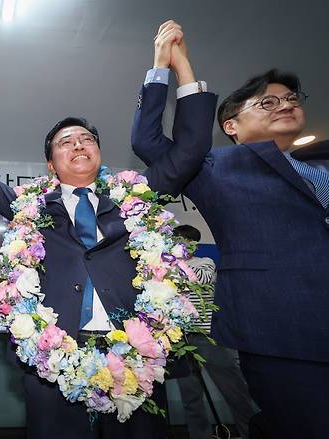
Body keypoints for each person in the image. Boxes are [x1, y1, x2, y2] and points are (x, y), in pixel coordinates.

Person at [0, 57, 216, 437]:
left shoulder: (134, 198)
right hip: (54, 359)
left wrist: (170, 67)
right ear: (50, 165)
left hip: (134, 356)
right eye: (65, 142)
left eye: (86, 139)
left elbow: (191, 150)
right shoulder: (30, 208)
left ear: (98, 153)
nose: (78, 144)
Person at [132, 20, 329, 439]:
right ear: (231, 126)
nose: (285, 105)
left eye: (291, 99)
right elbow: (149, 141)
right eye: (267, 102)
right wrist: (173, 66)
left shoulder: (320, 166)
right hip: (284, 333)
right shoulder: (213, 169)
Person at [173, 225, 256, 439]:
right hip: (180, 340)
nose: (183, 246)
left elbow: (199, 279)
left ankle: (251, 432)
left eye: (187, 242)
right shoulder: (166, 267)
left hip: (206, 337)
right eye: (178, 241)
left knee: (234, 390)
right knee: (191, 398)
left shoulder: (205, 263)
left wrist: (171, 265)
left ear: (195, 245)